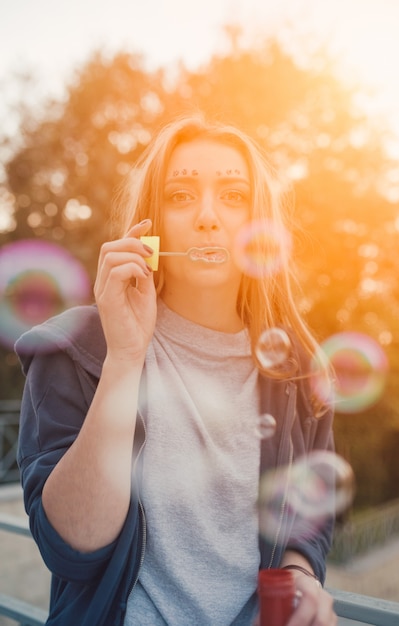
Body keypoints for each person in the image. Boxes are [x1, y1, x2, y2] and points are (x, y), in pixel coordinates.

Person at [15, 113, 337, 626]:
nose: (208, 216)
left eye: (233, 196)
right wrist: (125, 356)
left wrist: (300, 572)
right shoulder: (73, 349)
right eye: (180, 196)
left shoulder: (298, 371)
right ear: (152, 224)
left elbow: (310, 515)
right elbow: (72, 547)